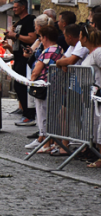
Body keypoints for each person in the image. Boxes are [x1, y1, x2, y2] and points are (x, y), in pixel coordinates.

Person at [28, 25, 63, 155]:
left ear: (45, 37)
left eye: (41, 37)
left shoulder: (48, 51)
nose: (40, 40)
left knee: (43, 113)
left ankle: (46, 143)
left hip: (44, 87)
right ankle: (51, 142)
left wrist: (31, 81)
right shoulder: (59, 49)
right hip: (56, 86)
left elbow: (36, 70)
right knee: (51, 114)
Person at [5, 0, 37, 126]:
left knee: (22, 86)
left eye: (16, 7)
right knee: (18, 86)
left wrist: (15, 36)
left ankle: (29, 115)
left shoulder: (29, 20)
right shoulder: (19, 22)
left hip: (25, 60)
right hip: (18, 57)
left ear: (23, 7)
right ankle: (26, 113)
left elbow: (31, 39)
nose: (14, 9)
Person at [79, 28, 101, 167]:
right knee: (95, 126)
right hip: (92, 96)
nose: (79, 39)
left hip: (99, 95)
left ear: (86, 37)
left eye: (80, 36)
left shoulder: (98, 52)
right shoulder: (91, 53)